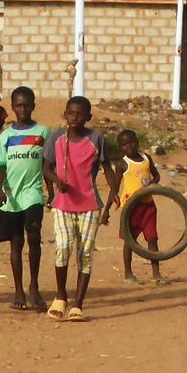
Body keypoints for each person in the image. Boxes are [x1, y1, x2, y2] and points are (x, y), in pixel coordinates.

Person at [43, 96, 117, 321]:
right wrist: (57, 181)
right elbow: (45, 168)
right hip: (63, 203)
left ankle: (78, 304)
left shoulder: (96, 138)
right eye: (71, 113)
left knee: (85, 253)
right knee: (63, 247)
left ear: (88, 117)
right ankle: (61, 295)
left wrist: (114, 190)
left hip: (89, 205)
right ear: (65, 114)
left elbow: (106, 167)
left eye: (80, 114)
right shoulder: (56, 137)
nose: (75, 118)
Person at [0, 86, 50, 312]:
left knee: (34, 237)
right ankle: (18, 289)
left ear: (33, 106)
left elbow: (48, 165)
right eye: (18, 105)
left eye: (27, 105)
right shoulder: (6, 136)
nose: (23, 109)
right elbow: (0, 166)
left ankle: (34, 286)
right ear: (13, 108)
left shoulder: (43, 132)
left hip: (33, 194)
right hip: (12, 196)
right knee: (16, 242)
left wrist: (52, 192)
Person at [101, 128, 163, 285]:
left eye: (131, 142)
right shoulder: (122, 164)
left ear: (137, 142)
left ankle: (156, 275)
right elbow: (114, 188)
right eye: (124, 145)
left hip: (148, 206)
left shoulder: (146, 158)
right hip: (130, 208)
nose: (129, 147)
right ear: (120, 147)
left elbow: (156, 175)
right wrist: (106, 210)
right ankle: (128, 273)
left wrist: (152, 184)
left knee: (152, 238)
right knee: (130, 241)